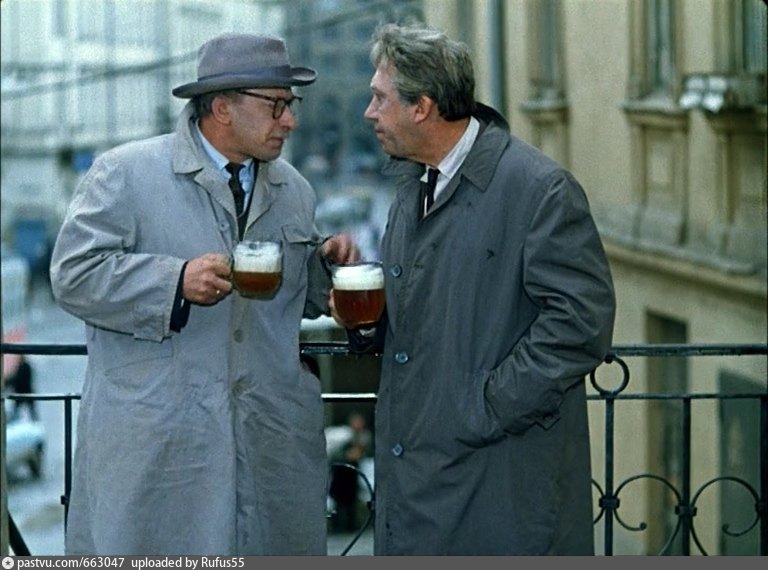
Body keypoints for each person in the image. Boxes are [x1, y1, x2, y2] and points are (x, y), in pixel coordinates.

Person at [49, 32, 359, 555]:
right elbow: (73, 274)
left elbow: (293, 298)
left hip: (269, 447)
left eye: (291, 104)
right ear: (222, 108)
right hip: (163, 451)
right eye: (276, 105)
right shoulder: (124, 173)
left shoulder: (294, 190)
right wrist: (174, 281)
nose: (290, 121)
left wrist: (326, 270)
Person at [330, 23, 616, 555]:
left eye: (380, 98)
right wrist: (366, 323)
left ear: (422, 107)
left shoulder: (539, 190)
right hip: (420, 489)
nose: (369, 113)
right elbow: (429, 312)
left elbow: (581, 324)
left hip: (498, 492)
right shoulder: (413, 184)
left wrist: (482, 406)